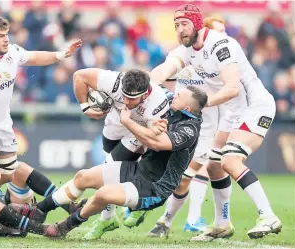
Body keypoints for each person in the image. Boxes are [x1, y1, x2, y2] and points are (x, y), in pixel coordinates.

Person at [150, 4, 281, 241]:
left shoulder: (222, 45)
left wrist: (202, 102)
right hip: (233, 114)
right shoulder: (186, 49)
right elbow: (164, 70)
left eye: (185, 24)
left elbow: (232, 88)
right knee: (213, 166)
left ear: (198, 24)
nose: (180, 30)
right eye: (176, 26)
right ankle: (222, 224)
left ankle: (268, 215)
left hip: (255, 106)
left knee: (230, 160)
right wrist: (145, 86)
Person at [0, 15, 81, 239]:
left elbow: (34, 56)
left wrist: (61, 54)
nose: (6, 40)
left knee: (6, 175)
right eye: (0, 36)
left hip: (3, 123)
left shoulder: (11, 52)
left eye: (6, 35)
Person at [41, 86, 207, 238]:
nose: (174, 95)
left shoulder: (189, 129)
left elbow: (157, 143)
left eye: (179, 96)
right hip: (138, 169)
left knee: (103, 194)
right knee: (82, 177)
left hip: (154, 187)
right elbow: (152, 81)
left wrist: (127, 121)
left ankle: (64, 227)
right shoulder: (170, 103)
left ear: (187, 108)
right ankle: (40, 210)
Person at [48, 68, 172, 240]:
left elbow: (153, 140)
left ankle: (107, 218)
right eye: (124, 96)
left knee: (108, 170)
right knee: (109, 170)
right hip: (112, 127)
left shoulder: (158, 102)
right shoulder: (114, 81)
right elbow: (79, 76)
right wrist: (85, 107)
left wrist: (128, 122)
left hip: (137, 133)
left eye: (132, 98)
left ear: (144, 95)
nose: (126, 101)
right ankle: (121, 213)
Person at [146, 15, 225, 237]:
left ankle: (172, 221)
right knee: (181, 176)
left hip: (210, 128)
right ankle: (163, 217)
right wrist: (153, 84)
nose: (223, 36)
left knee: (192, 174)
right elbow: (167, 71)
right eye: (218, 31)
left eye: (224, 32)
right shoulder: (186, 54)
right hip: (184, 124)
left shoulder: (225, 61)